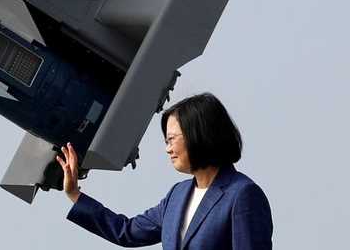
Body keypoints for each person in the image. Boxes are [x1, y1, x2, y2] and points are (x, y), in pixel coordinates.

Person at [57, 92, 272, 249]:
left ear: (200, 134)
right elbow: (127, 231)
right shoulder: (177, 195)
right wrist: (74, 194)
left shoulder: (243, 195)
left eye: (171, 139)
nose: (167, 149)